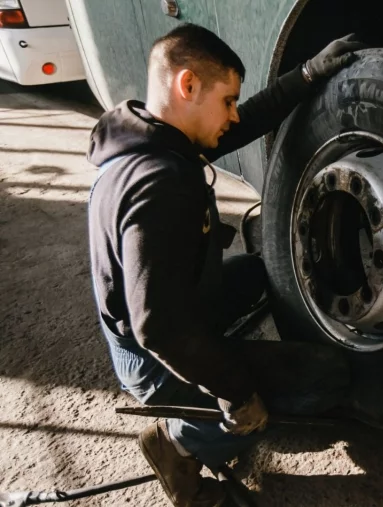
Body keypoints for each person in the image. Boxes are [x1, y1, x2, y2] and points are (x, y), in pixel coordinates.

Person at [87, 23, 364, 507]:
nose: (234, 116)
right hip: (153, 356)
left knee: (258, 271)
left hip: (177, 303)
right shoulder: (160, 185)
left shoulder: (147, 137)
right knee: (324, 377)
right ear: (188, 85)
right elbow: (158, 327)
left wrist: (306, 74)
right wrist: (236, 392)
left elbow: (252, 118)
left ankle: (222, 379)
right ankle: (177, 443)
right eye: (228, 101)